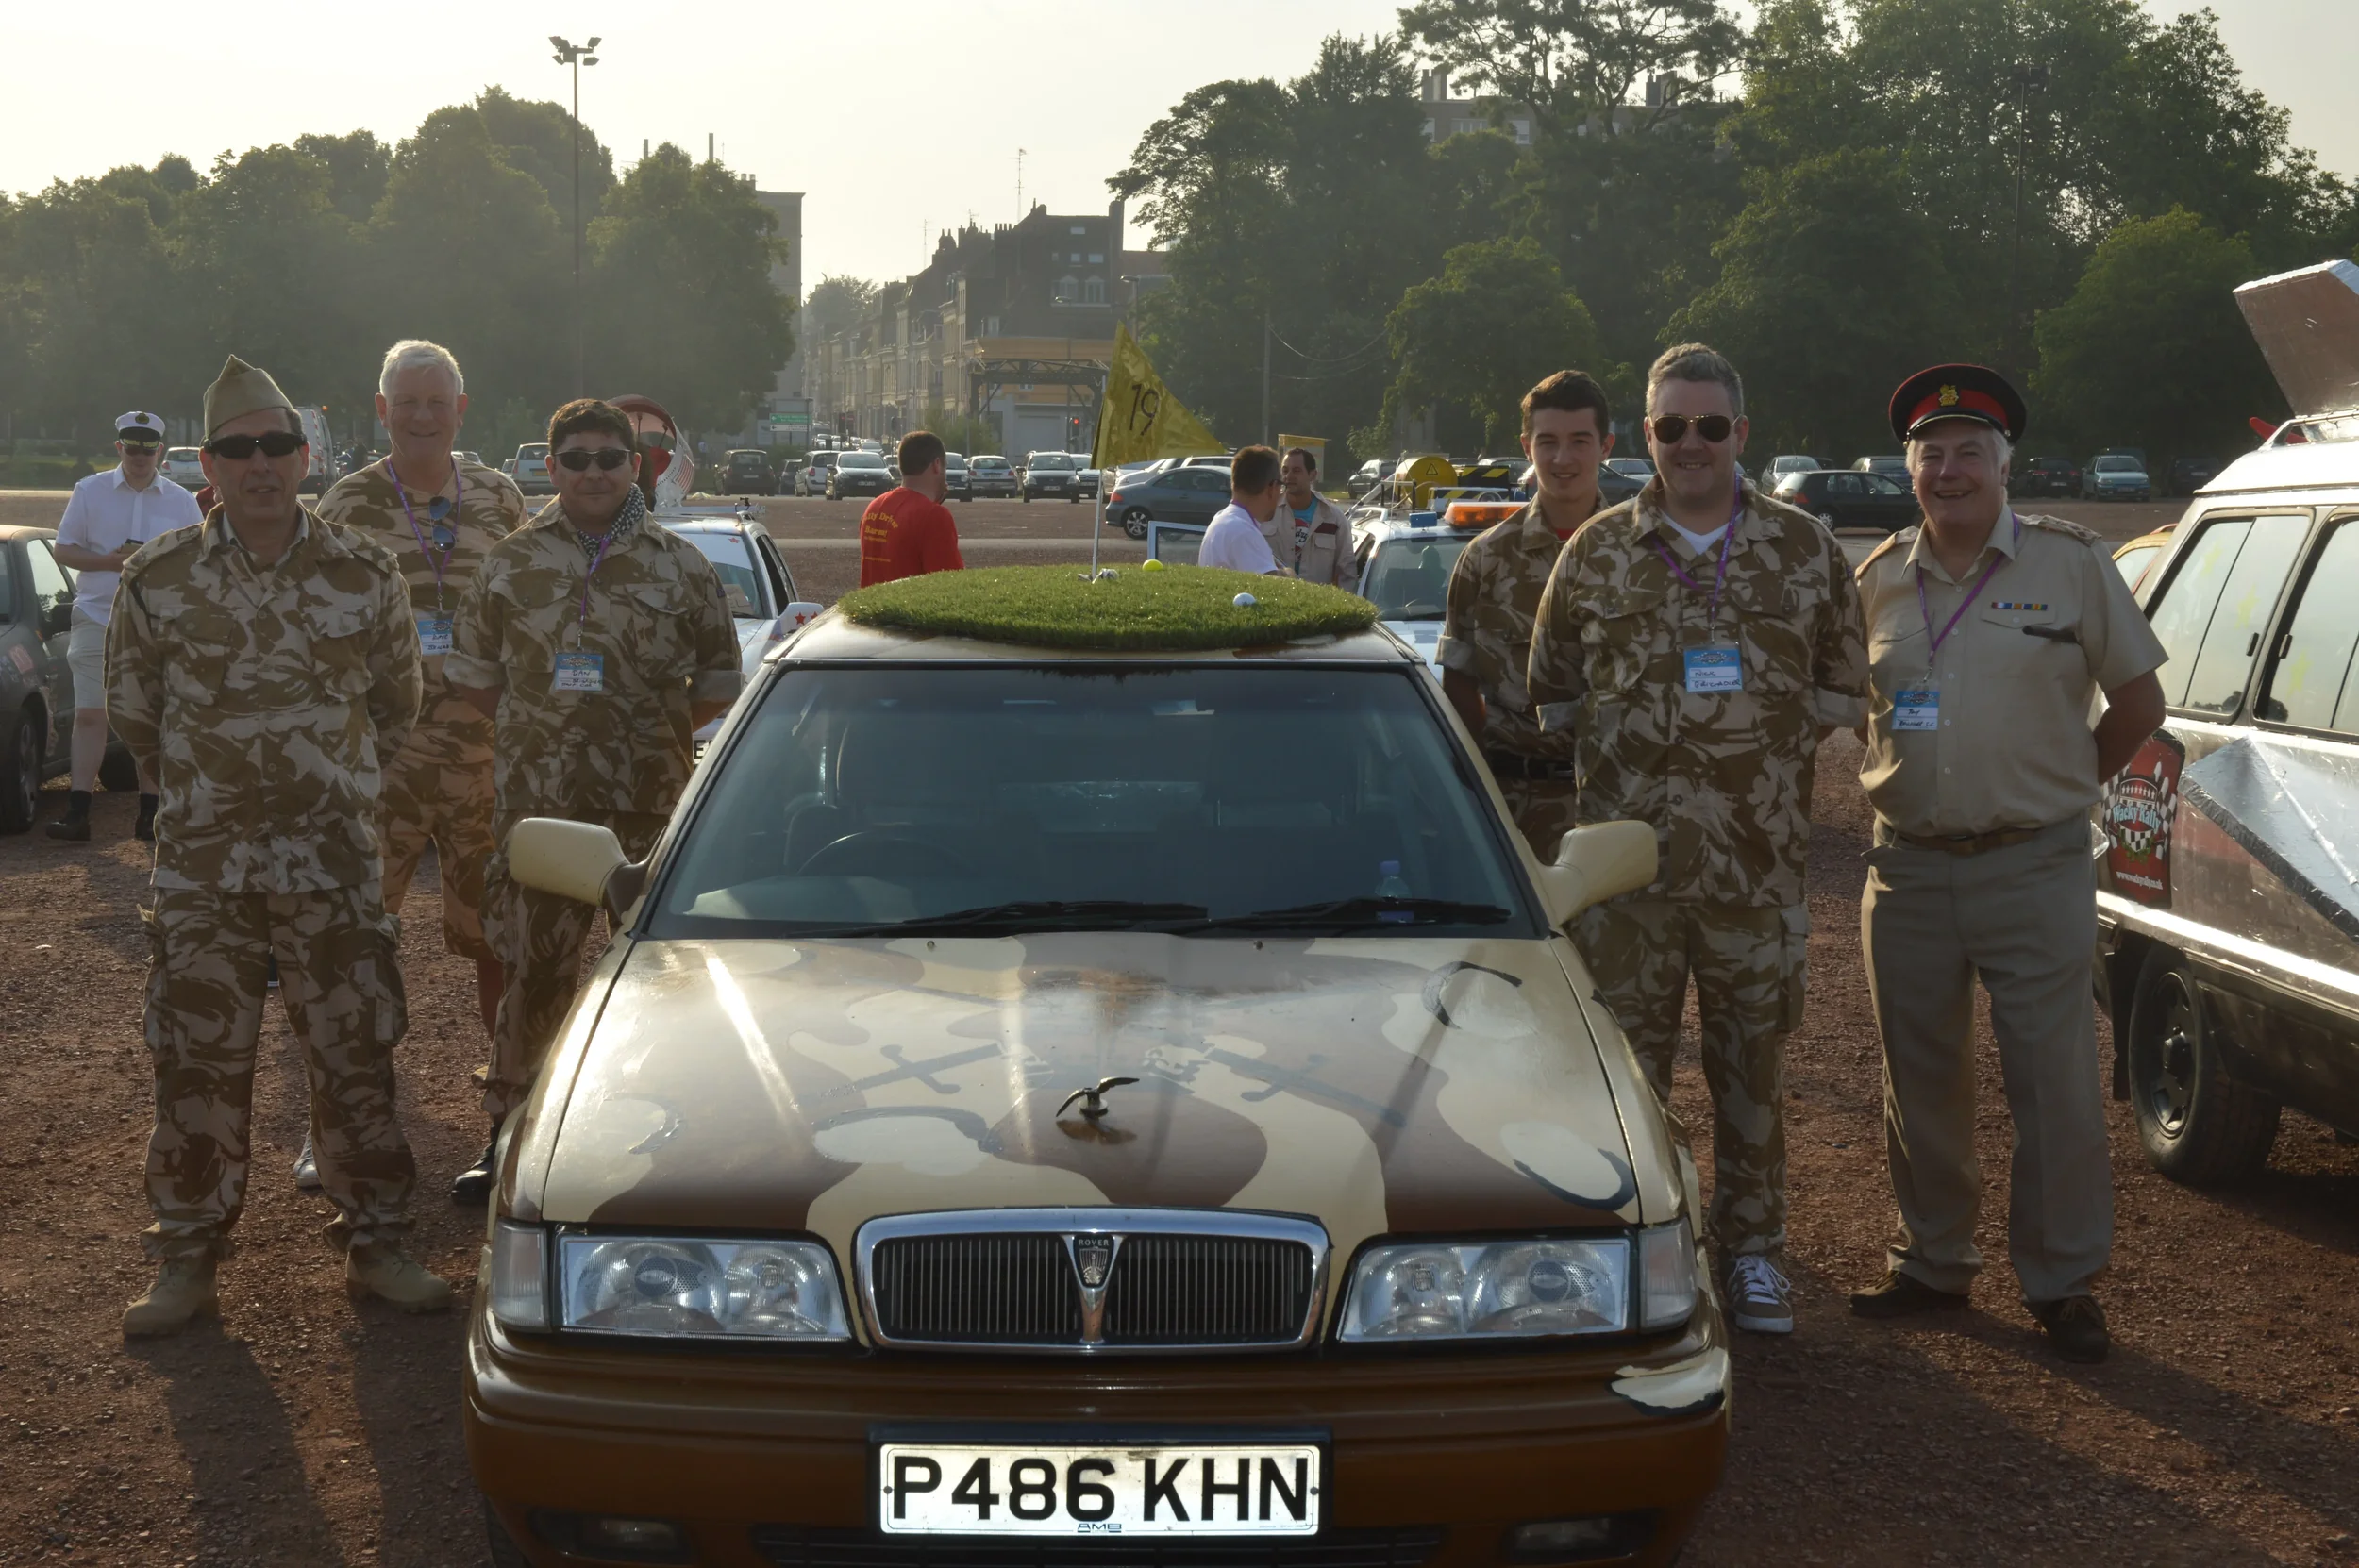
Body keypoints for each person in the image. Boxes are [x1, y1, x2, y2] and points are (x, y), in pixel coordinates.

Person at [1526, 343, 1868, 1336]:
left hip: (1754, 876)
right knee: (1625, 1077)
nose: (1689, 444)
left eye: (1708, 425)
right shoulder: (1593, 552)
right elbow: (1553, 690)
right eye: (1670, 426)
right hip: (1627, 883)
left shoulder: (1804, 553)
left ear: (1740, 435)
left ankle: (1753, 1251)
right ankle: (1631, 1253)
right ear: (1645, 435)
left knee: (1750, 1072)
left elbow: (1842, 690)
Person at [109, 355, 445, 1335]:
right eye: (236, 449)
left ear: (304, 458)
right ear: (207, 465)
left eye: (276, 446)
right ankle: (189, 1258)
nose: (259, 465)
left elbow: (396, 707)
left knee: (354, 1053)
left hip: (334, 863)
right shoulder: (158, 579)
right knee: (195, 1059)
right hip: (207, 867)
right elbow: (137, 719)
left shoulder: (361, 570)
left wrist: (323, 785)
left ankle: (379, 1240)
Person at [1847, 365, 2167, 1364]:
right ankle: (1933, 1261)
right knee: (1919, 1079)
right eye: (1930, 455)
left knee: (2055, 1083)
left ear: (2003, 466)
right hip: (1905, 871)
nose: (1949, 471)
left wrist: (2066, 783)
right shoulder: (1877, 579)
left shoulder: (2071, 565)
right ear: (1908, 470)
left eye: (1968, 453)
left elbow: (2140, 708)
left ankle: (2062, 1282)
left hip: (2033, 865)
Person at [444, 399, 741, 1203]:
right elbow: (473, 680)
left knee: (655, 978)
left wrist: (636, 735)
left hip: (648, 812)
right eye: (575, 458)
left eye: (611, 457)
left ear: (635, 466)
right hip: (542, 812)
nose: (594, 472)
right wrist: (548, 729)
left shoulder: (682, 566)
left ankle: (664, 1145)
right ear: (551, 468)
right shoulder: (510, 563)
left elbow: (715, 687)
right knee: (531, 973)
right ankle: (508, 1138)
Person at [310, 340, 528, 1193]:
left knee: (499, 948)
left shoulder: (502, 498)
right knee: (353, 946)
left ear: (461, 410)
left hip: (485, 767)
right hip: (379, 769)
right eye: (409, 402)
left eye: (438, 402)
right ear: (382, 409)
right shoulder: (347, 503)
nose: (424, 415)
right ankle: (341, 1126)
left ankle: (510, 1122)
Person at [1436, 371, 1613, 860]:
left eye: (1580, 441)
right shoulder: (1485, 560)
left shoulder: (1642, 556)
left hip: (1615, 806)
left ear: (1606, 446)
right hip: (1514, 805)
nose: (1562, 459)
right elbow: (1460, 683)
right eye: (1548, 441)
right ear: (1526, 446)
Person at [45, 411, 202, 842]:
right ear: (119, 449)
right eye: (131, 448)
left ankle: (149, 816)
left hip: (157, 621)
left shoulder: (180, 501)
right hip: (98, 613)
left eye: (147, 448)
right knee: (91, 715)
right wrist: (111, 563)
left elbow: (196, 560)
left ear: (160, 451)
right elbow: (63, 550)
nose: (139, 456)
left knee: (151, 718)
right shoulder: (90, 490)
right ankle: (79, 812)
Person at [858, 430, 963, 587]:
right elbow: (951, 586)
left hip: (871, 608)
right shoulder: (934, 516)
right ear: (937, 465)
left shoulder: (874, 507)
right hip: (908, 610)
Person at [1198, 446, 1290, 575]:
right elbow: (1275, 587)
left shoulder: (1223, 519)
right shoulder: (1243, 531)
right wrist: (1288, 573)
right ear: (1272, 487)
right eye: (1281, 487)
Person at [1272, 447, 1353, 587]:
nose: (1289, 476)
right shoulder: (1268, 512)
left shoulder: (1333, 518)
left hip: (1317, 605)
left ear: (1313, 475)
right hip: (1274, 601)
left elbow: (1347, 571)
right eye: (1285, 470)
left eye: (1296, 471)